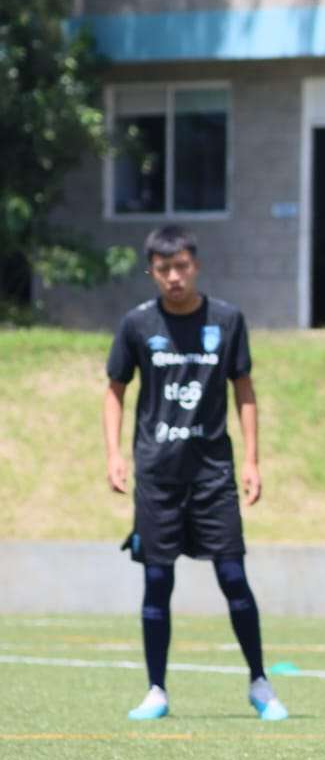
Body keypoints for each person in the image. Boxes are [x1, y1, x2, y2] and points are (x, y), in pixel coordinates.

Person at [104, 225, 286, 722]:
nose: (174, 277)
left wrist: (251, 459)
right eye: (164, 269)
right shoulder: (137, 324)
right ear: (153, 271)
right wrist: (114, 455)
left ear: (195, 265)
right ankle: (156, 690)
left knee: (232, 576)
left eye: (181, 266)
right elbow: (115, 390)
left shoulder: (226, 320)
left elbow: (243, 391)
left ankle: (260, 683)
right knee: (157, 581)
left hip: (212, 474)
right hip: (158, 475)